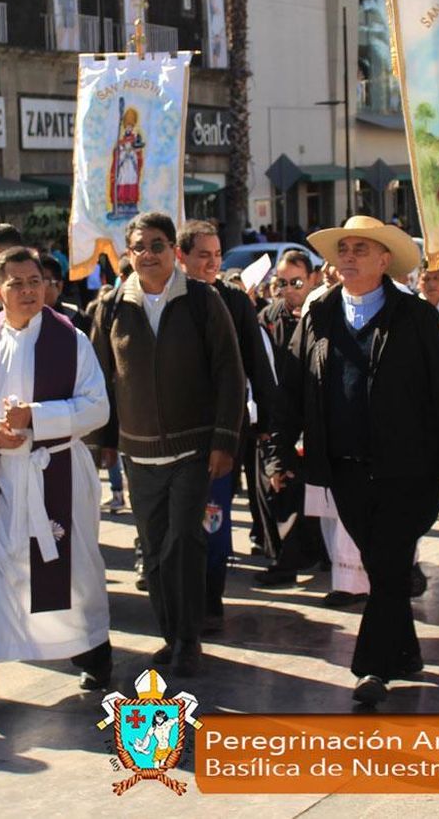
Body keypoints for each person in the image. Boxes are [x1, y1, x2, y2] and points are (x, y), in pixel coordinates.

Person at [273, 216, 439, 706]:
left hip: (410, 467)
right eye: (343, 249)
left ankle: (371, 667)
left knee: (385, 562)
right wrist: (280, 451)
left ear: (385, 260)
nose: (349, 257)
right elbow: (293, 388)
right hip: (345, 466)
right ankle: (404, 653)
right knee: (383, 564)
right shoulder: (318, 314)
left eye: (361, 249)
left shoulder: (415, 317)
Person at [0, 247, 113, 711]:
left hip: (54, 472)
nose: (30, 290)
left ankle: (92, 651)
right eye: (17, 283)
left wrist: (37, 418)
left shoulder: (69, 339)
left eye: (36, 280)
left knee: (67, 571)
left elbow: (98, 408)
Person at [89, 212, 245, 677]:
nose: (149, 255)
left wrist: (224, 440)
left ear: (173, 251)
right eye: (140, 247)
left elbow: (229, 374)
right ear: (128, 252)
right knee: (154, 549)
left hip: (193, 450)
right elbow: (101, 380)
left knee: (184, 542)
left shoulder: (202, 300)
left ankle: (188, 640)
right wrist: (105, 442)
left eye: (158, 245)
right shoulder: (111, 307)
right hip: (138, 454)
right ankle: (172, 635)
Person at [175, 219, 275, 632]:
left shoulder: (234, 301)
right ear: (181, 257)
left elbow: (257, 365)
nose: (212, 263)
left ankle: (210, 601)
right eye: (203, 256)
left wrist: (269, 422)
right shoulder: (165, 298)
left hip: (220, 434)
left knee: (213, 520)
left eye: (217, 255)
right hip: (171, 436)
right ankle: (178, 604)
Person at [254, 250, 327, 587]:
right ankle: (284, 560)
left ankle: (325, 556)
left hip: (319, 420)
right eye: (281, 283)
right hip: (278, 420)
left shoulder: (326, 313)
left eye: (296, 282)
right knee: (278, 490)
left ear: (312, 279)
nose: (289, 289)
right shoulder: (267, 320)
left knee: (320, 496)